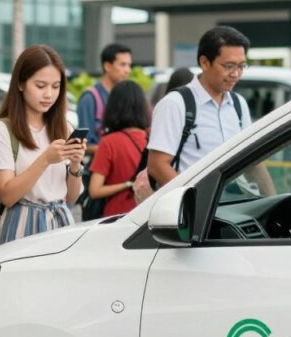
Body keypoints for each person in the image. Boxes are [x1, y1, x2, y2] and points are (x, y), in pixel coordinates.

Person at [147, 26, 274, 193]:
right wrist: (195, 205)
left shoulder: (238, 104)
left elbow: (252, 162)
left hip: (233, 208)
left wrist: (271, 200)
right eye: (229, 66)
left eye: (241, 66)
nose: (236, 74)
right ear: (205, 63)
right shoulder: (175, 104)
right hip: (195, 212)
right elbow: (157, 166)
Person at [0, 45, 86, 244]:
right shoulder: (2, 129)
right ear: (21, 84)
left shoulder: (64, 128)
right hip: (22, 223)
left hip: (61, 224)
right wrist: (45, 160)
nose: (49, 94)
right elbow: (7, 195)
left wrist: (75, 165)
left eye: (56, 86)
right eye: (40, 86)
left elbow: (71, 198)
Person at [87, 81, 150, 217]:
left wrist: (127, 184)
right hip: (147, 212)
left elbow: (95, 190)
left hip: (116, 216)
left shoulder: (109, 142)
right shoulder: (153, 138)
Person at [77, 43, 132, 156]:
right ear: (107, 66)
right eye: (122, 65)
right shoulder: (90, 98)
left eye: (129, 65)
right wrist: (116, 151)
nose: (127, 70)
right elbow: (84, 145)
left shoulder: (126, 96)